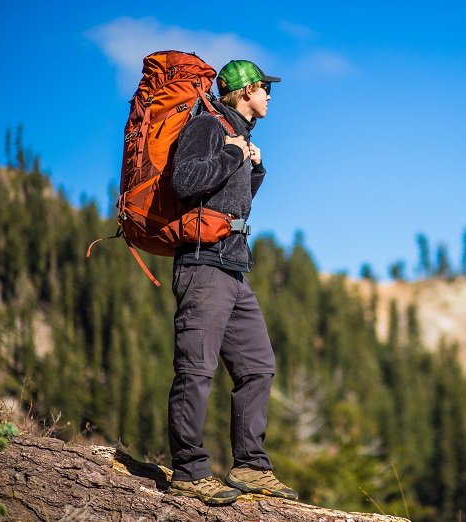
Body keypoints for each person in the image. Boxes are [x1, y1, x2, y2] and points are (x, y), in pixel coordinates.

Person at [165, 59, 297, 506]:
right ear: (246, 91)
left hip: (234, 269)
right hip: (203, 267)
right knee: (196, 369)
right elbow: (185, 181)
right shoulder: (207, 125)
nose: (269, 97)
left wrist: (252, 168)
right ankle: (189, 470)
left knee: (258, 365)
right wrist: (233, 154)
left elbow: (226, 200)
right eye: (265, 89)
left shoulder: (238, 134)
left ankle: (250, 466)